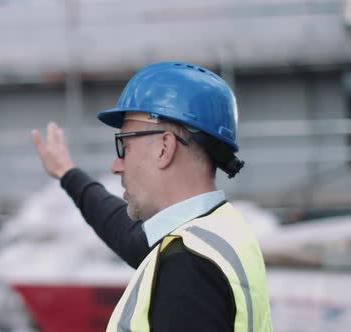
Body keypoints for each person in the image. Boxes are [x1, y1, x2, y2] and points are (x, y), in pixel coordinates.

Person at [31, 62, 272, 331]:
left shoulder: (188, 267)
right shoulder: (218, 231)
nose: (116, 165)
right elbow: (126, 232)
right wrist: (68, 173)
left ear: (164, 148)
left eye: (125, 146)